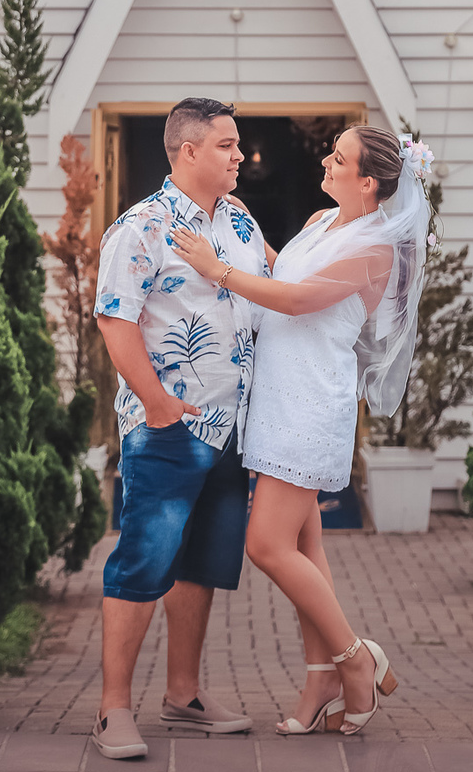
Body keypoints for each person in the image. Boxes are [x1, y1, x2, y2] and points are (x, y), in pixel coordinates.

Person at [172, 125, 429, 737]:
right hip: (274, 398)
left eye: (338, 158)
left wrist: (216, 269)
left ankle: (355, 659)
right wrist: (246, 230)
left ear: (368, 182)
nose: (326, 159)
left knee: (266, 545)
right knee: (306, 547)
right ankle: (321, 675)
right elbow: (281, 270)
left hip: (311, 404)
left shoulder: (375, 251)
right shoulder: (321, 221)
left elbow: (294, 300)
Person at [90, 98, 270, 761]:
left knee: (200, 564)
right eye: (226, 144)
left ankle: (183, 695)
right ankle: (112, 710)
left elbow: (277, 279)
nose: (239, 155)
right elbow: (115, 318)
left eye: (239, 144)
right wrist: (156, 401)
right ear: (187, 150)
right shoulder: (142, 226)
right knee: (143, 561)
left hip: (233, 431)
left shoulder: (242, 221)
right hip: (168, 429)